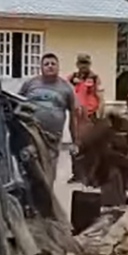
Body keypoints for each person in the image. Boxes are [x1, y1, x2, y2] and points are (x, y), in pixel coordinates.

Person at [18, 53, 78, 187]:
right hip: (30, 135)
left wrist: (75, 141)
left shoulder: (66, 88)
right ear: (41, 67)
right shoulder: (30, 84)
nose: (50, 66)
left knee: (48, 175)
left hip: (52, 139)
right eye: (46, 64)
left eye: (53, 64)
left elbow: (73, 117)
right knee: (28, 168)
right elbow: (17, 104)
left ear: (58, 67)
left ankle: (46, 201)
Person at [66, 53, 101, 183]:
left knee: (91, 146)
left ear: (89, 64)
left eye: (86, 63)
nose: (83, 66)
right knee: (75, 145)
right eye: (81, 63)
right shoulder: (71, 78)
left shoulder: (94, 78)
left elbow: (100, 97)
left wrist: (101, 114)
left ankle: (91, 175)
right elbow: (65, 91)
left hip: (91, 116)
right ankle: (77, 174)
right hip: (75, 117)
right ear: (77, 64)